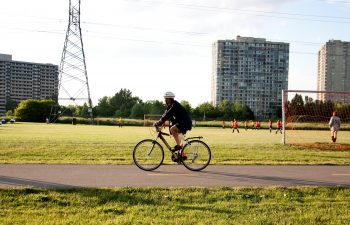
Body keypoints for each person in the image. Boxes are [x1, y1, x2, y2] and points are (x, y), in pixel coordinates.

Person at [154, 91, 192, 157]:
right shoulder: (171, 106)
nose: (165, 100)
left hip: (185, 123)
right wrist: (161, 124)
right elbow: (166, 115)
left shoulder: (174, 106)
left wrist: (159, 122)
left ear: (169, 99)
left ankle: (179, 147)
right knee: (179, 138)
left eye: (166, 98)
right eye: (165, 98)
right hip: (181, 123)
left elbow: (167, 115)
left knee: (173, 129)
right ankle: (182, 155)